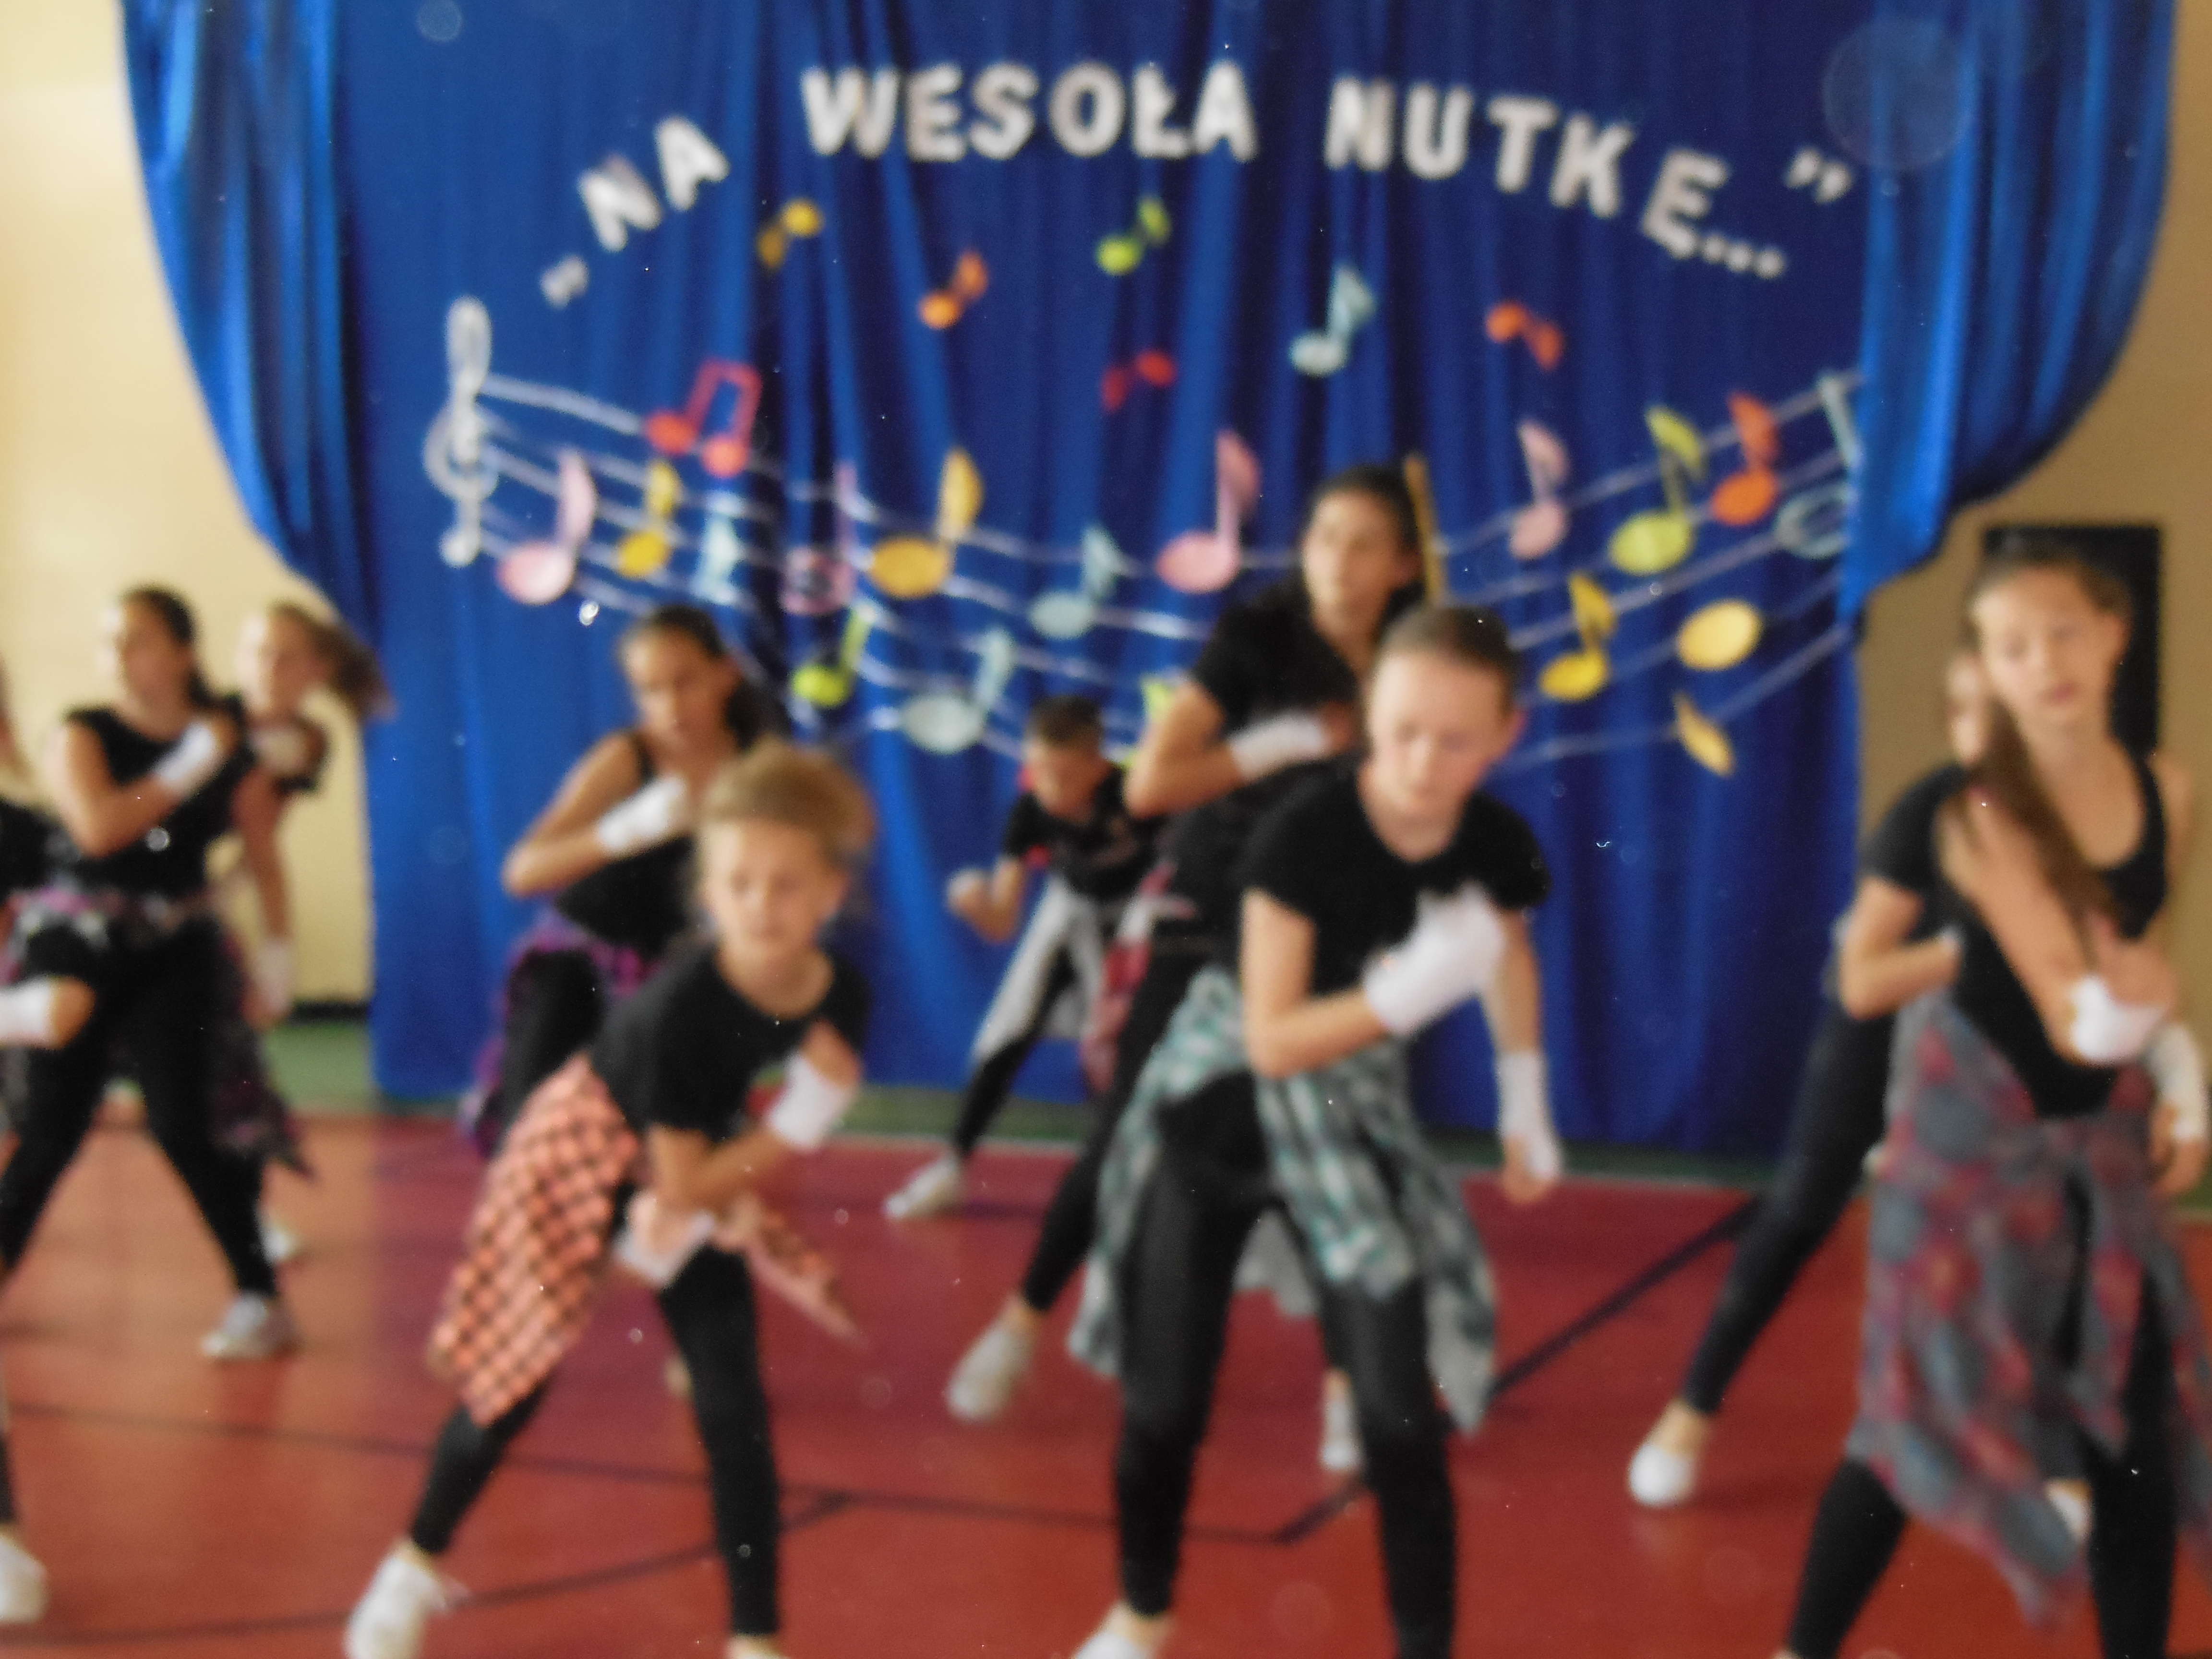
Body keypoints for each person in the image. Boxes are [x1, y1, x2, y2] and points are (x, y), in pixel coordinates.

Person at [1064, 603, 1563, 1659]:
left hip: (1346, 1104)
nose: (1423, 763)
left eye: (1456, 741)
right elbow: (1273, 1038)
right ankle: (1141, 1608)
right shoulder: (1303, 834)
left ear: (1505, 736)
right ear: (1369, 711)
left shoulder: (1493, 841)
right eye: (1403, 731)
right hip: (1222, 1102)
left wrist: (1524, 1100)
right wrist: (1402, 993)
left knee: (1399, 1415)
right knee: (1165, 1400)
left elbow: (1507, 954)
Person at [1774, 542, 2212, 1659]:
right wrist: (2139, 1009)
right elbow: (2080, 1011)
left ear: (2114, 635)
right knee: (1908, 1424)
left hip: (2093, 1151)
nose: (2044, 662)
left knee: (2133, 1433)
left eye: (2064, 632)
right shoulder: (1975, 813)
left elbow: (2140, 964)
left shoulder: (2165, 787)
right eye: (2013, 646)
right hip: (1970, 1151)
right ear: (1984, 668)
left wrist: (2180, 1084)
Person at [943, 464, 1423, 1479]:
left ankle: (1347, 1390)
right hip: (1209, 916)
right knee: (1126, 1133)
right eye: (1323, 537)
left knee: (1338, 1156)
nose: (1338, 561)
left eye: (1363, 543)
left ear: (1401, 564)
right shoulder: (1258, 638)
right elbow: (1154, 784)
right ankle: (1018, 1324)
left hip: (1325, 934)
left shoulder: (1410, 658)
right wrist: (1286, 741)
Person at [343, 743, 874, 1659]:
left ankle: (756, 1640)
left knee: (733, 1405)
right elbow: (694, 1180)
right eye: (738, 883)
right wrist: (804, 1118)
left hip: (690, 1156)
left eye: (787, 885)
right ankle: (409, 1565)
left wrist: (755, 1160)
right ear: (706, 893)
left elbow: (699, 1180)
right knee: (511, 1385)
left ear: (831, 892)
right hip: (581, 1153)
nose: (760, 905)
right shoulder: (681, 1009)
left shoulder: (841, 994)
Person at [1627, 650, 2005, 1504]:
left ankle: (2047, 1452)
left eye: (2004, 711)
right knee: (1800, 1205)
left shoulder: (2081, 812)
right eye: (1968, 712)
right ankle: (1692, 1407)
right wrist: (1971, 951)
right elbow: (1862, 980)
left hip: (1996, 1047)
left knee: (2047, 1221)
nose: (1988, 733)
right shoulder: (1929, 813)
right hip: (1888, 1024)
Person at [0, 588, 298, 1361]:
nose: (118, 656)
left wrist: (279, 960)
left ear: (182, 652)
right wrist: (193, 759)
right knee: (51, 1126)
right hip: (80, 937)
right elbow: (101, 829)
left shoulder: (227, 744)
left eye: (136, 639)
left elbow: (264, 855)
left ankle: (259, 1294)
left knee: (183, 1121)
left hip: (175, 946)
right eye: (111, 641)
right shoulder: (84, 732)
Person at [460, 603, 780, 1154]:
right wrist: (620, 833)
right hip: (584, 968)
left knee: (681, 1147)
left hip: (680, 980)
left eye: (685, 683)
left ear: (725, 674)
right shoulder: (627, 758)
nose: (670, 706)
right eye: (650, 690)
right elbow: (521, 871)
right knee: (536, 1136)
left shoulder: (759, 766)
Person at [882, 694, 1161, 1219]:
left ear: (1098, 766)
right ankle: (953, 1164)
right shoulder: (1029, 813)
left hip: (1135, 924)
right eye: (1038, 771)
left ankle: (1127, 1177)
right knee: (1007, 1032)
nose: (1047, 787)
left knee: (1119, 1052)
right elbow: (1002, 923)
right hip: (1069, 914)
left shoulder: (1138, 797)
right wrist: (974, 905)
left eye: (1063, 775)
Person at [222, 599, 393, 1266]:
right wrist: (277, 946)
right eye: (255, 653)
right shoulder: (212, 725)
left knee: (231, 1070)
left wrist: (270, 948)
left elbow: (261, 843)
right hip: (139, 903)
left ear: (317, 670)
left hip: (199, 911)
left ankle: (248, 1216)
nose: (267, 670)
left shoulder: (306, 742)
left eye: (286, 657)